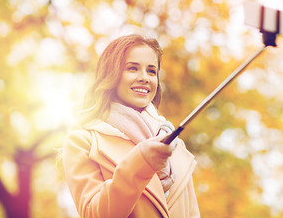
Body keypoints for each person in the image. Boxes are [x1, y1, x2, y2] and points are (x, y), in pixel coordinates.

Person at [62, 33, 200, 217]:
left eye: (151, 71)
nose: (144, 77)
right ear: (111, 75)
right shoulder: (84, 141)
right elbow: (93, 213)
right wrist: (140, 163)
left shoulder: (176, 146)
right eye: (132, 68)